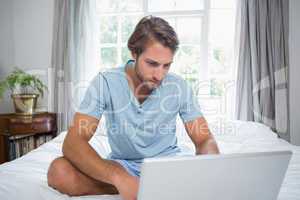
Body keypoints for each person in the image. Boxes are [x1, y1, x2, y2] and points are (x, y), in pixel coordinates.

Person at [47, 15, 219, 200]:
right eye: (152, 64)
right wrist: (119, 177)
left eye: (166, 66)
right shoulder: (105, 82)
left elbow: (203, 139)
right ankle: (135, 186)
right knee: (59, 171)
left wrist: (209, 165)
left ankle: (146, 186)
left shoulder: (179, 86)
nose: (159, 75)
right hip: (124, 165)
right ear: (134, 53)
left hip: (168, 165)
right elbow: (73, 143)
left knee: (203, 175)